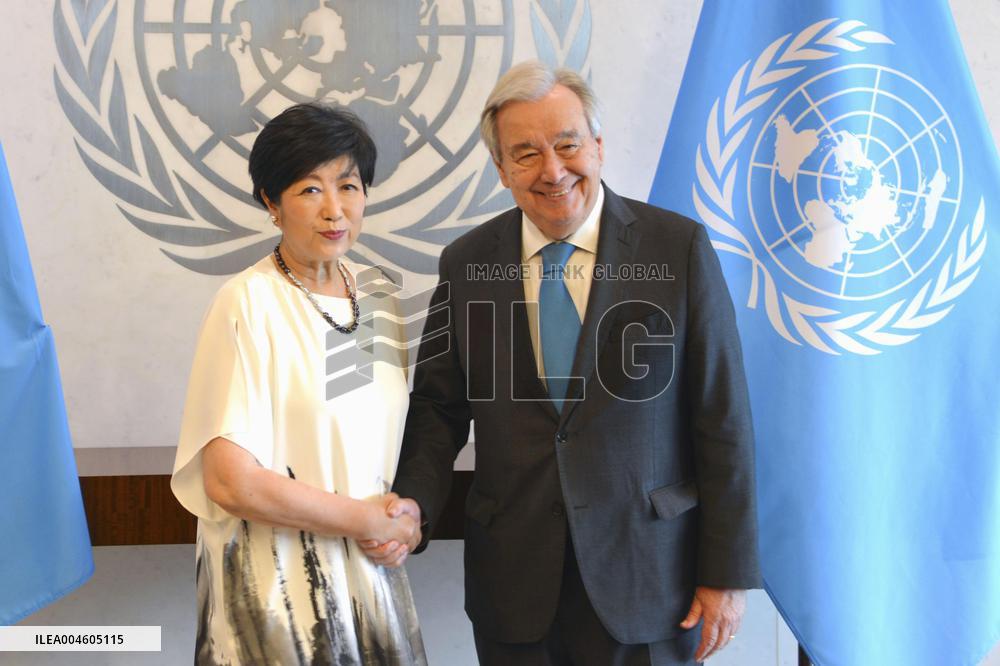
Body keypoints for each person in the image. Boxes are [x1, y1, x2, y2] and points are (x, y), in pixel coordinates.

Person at [363, 61, 760, 665]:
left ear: (598, 146)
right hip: (514, 580)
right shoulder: (467, 263)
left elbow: (721, 414)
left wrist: (726, 572)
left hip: (650, 578)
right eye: (526, 154)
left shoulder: (677, 247)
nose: (552, 170)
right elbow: (439, 407)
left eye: (568, 145)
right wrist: (413, 501)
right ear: (501, 169)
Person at [171, 103, 426, 665]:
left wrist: (403, 517)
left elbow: (365, 441)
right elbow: (231, 482)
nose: (335, 209)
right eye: (310, 189)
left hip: (370, 574)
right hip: (278, 594)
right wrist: (365, 520)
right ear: (272, 202)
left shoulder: (377, 296)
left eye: (349, 186)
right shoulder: (247, 303)